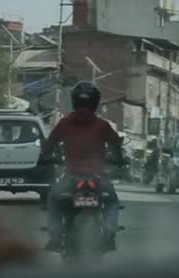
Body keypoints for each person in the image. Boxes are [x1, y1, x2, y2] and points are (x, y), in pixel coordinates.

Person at [40, 81, 125, 252]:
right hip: (98, 178)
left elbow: (48, 147)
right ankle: (109, 235)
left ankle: (55, 238)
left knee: (54, 199)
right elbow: (116, 146)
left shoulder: (64, 123)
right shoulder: (103, 125)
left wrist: (43, 158)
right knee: (111, 201)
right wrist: (120, 160)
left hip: (71, 177)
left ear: (74, 101)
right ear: (95, 102)